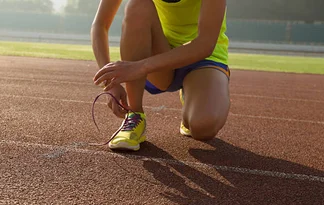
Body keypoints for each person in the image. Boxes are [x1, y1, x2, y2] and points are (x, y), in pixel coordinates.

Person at [92, 0, 231, 151]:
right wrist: (110, 83)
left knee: (203, 127)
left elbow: (205, 44)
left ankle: (191, 98)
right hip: (160, 51)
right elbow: (100, 25)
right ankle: (135, 115)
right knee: (137, 5)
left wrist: (140, 66)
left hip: (203, 59)